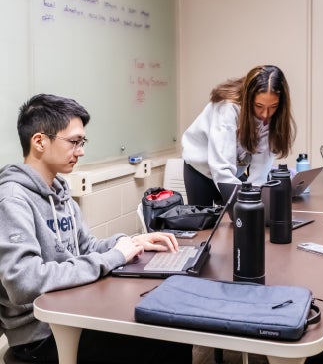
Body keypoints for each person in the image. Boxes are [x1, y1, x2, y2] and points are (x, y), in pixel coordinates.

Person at [0, 94, 192, 363]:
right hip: (42, 337)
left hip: (75, 310)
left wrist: (134, 242)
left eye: (82, 142)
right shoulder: (12, 199)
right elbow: (23, 281)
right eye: (74, 142)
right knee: (166, 338)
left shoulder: (59, 192)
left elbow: (86, 247)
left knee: (172, 328)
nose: (81, 151)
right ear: (40, 141)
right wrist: (114, 257)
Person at [181, 64, 297, 206]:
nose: (266, 114)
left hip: (234, 170)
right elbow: (221, 167)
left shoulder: (271, 116)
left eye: (273, 107)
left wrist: (257, 200)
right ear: (248, 99)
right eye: (259, 106)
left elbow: (260, 168)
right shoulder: (228, 108)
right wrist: (245, 204)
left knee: (244, 216)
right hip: (201, 169)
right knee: (204, 222)